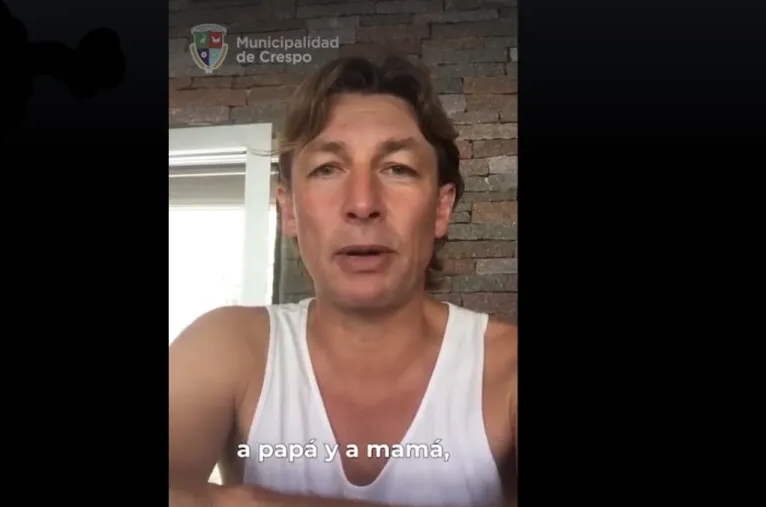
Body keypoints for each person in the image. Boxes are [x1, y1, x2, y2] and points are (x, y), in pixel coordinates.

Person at [169, 55, 517, 507]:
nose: (362, 204)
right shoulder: (227, 345)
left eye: (398, 168)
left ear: (440, 208)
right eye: (327, 169)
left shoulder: (508, 367)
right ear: (289, 210)